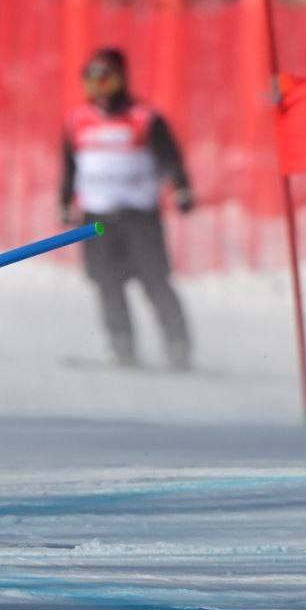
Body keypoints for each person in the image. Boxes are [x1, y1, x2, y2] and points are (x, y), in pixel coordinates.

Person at [61, 47, 195, 370]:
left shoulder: (144, 118)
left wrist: (180, 187)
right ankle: (122, 345)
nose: (99, 87)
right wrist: (65, 201)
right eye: (92, 80)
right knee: (107, 283)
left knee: (154, 280)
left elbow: (170, 158)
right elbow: (69, 167)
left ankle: (177, 343)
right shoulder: (77, 121)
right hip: (97, 217)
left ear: (120, 80)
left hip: (138, 215)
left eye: (106, 79)